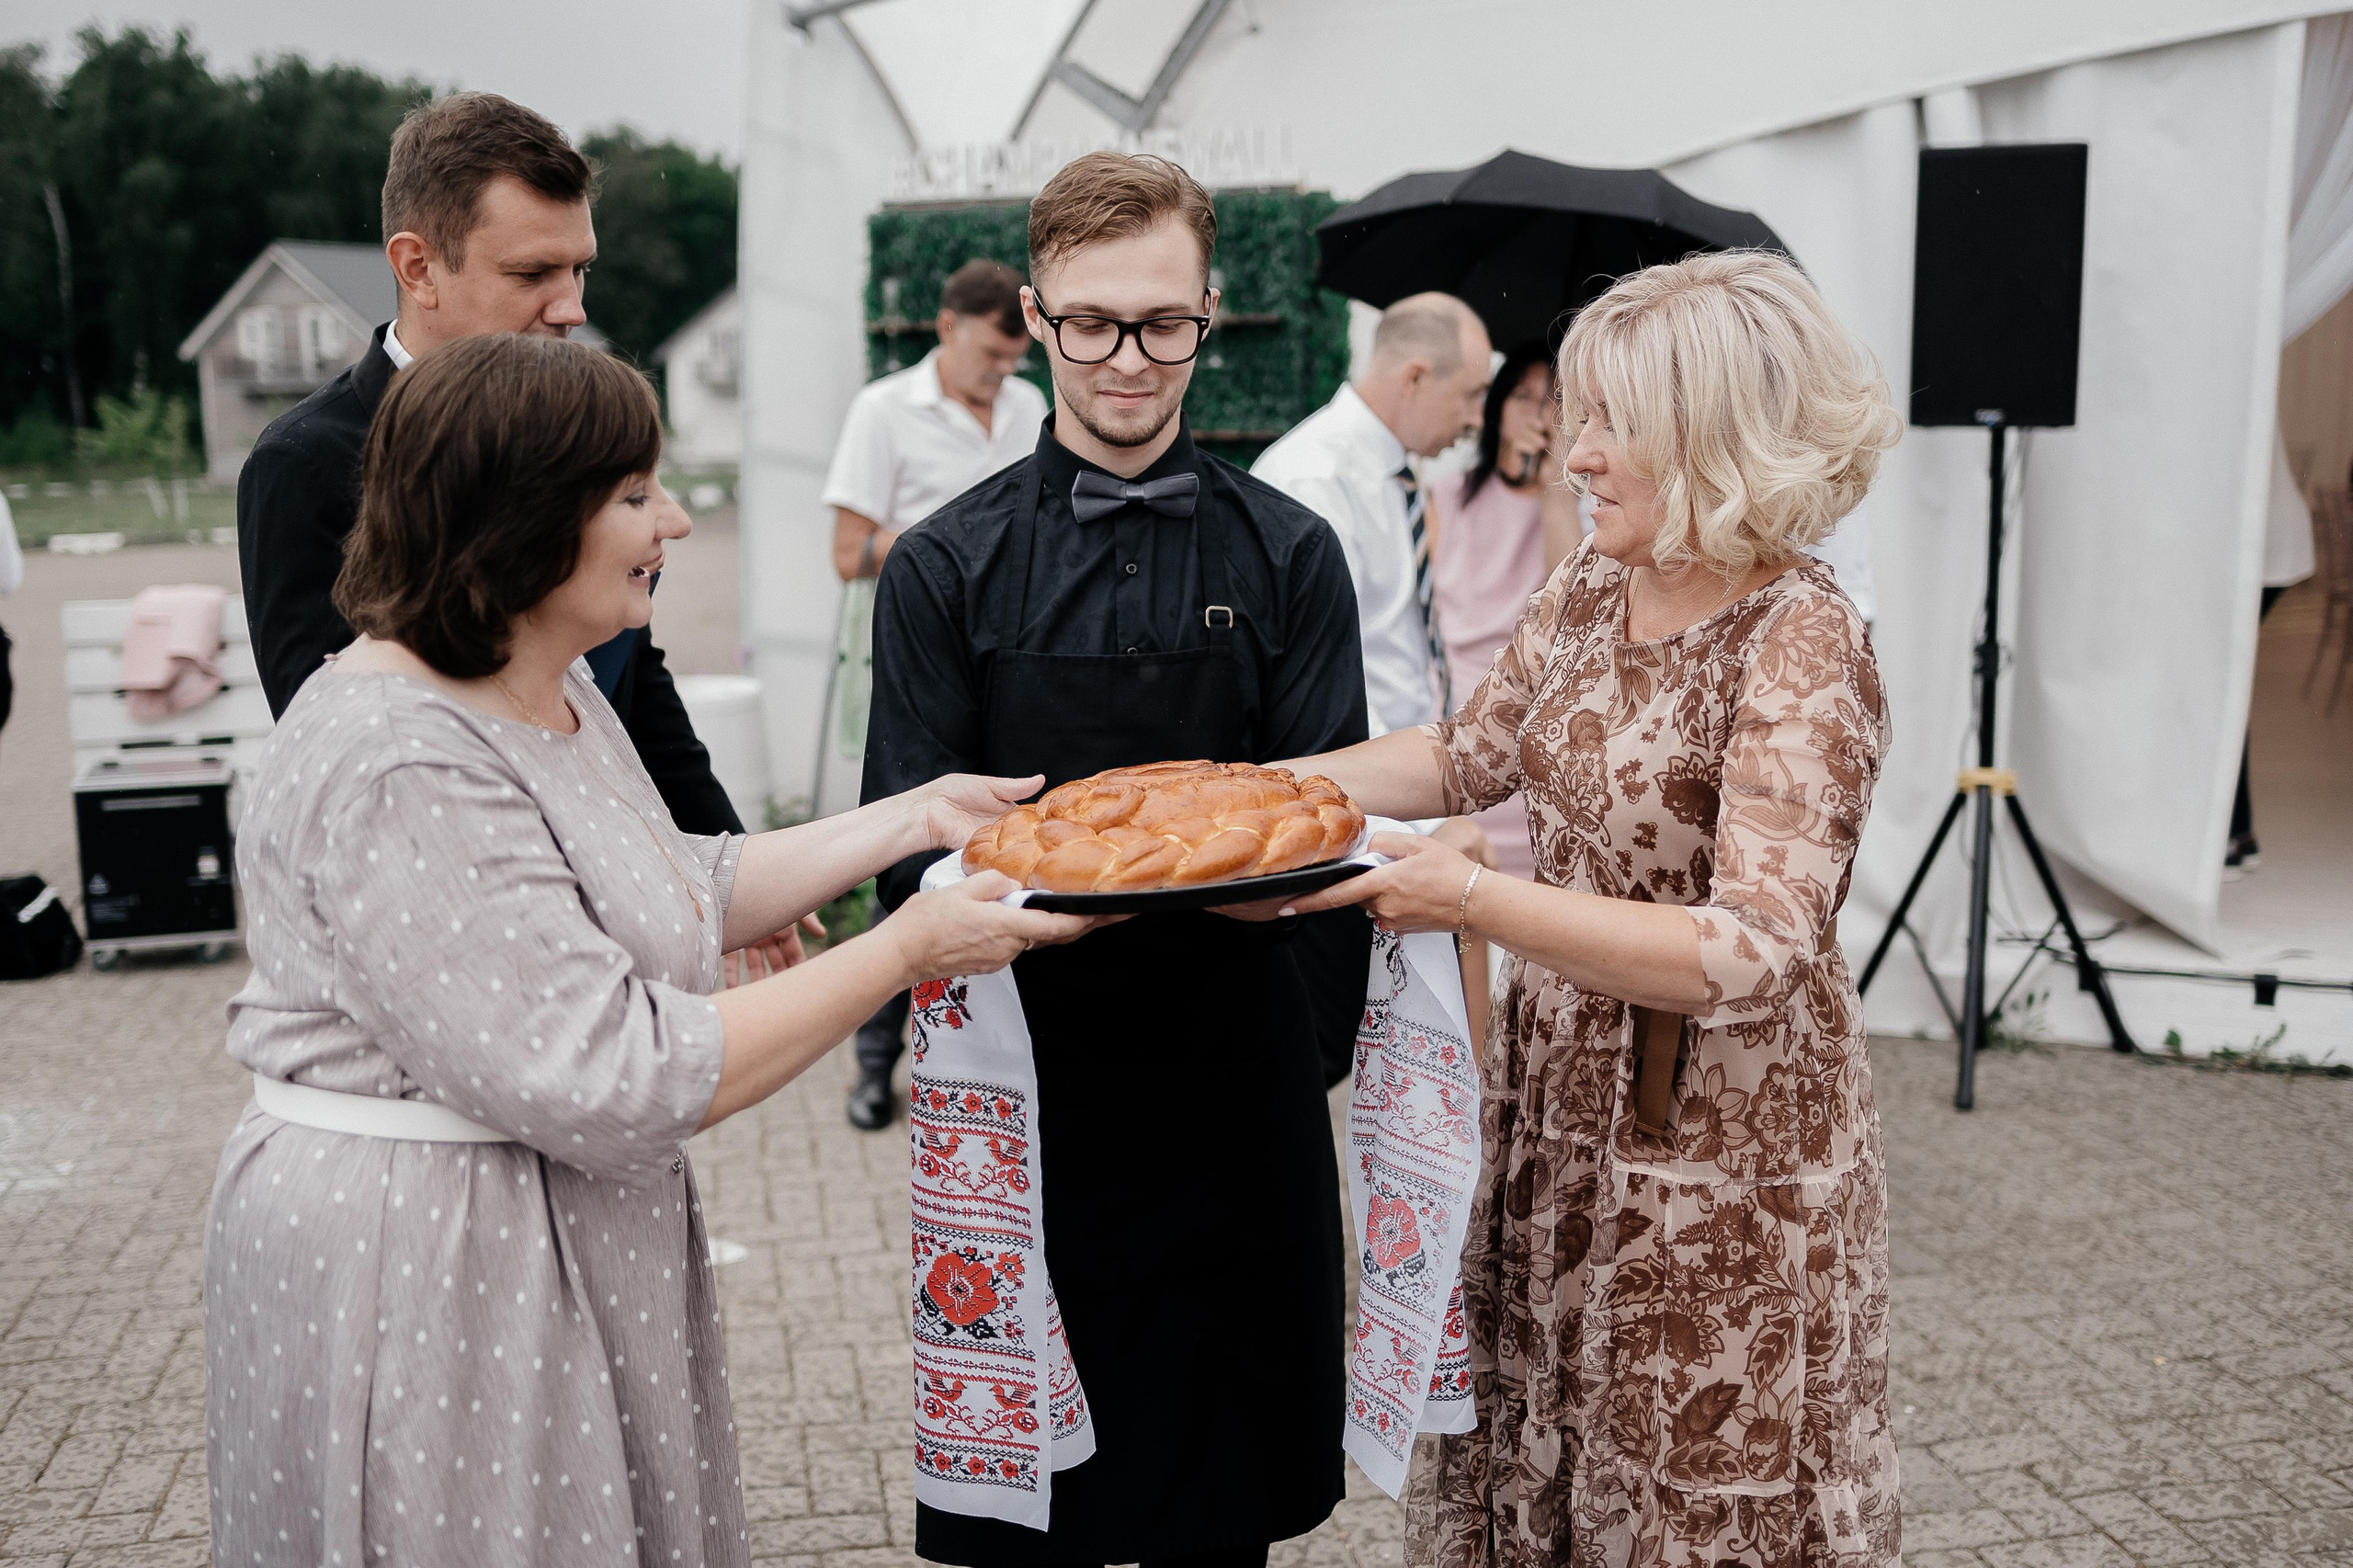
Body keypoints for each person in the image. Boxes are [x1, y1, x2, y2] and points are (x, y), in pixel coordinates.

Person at [204, 332, 1097, 1568]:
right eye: (634, 495)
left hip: (535, 1236)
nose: (672, 521)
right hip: (429, 1265)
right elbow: (615, 1070)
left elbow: (682, 879)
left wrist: (916, 813)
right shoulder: (396, 752)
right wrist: (908, 945)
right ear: (516, 521)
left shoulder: (544, 686)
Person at [1256, 252, 1905, 1563]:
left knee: (1685, 1474)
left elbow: (1755, 947)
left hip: (1719, 1144)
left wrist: (1479, 897)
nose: (1573, 453)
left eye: (1614, 423)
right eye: (1578, 416)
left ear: (1716, 434)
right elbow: (1462, 754)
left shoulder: (1803, 634)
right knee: (1549, 1434)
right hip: (1559, 1096)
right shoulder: (1594, 589)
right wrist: (1249, 786)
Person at [860, 151, 1373, 1567]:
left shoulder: (1293, 555)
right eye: (1091, 321)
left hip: (1237, 1104)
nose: (1129, 357)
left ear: (1211, 312)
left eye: (1163, 321)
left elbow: (1337, 825)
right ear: (1034, 317)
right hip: (1034, 1103)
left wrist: (1305, 1054)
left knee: (1225, 1507)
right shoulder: (944, 567)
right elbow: (907, 850)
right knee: (1042, 1514)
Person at [236, 92, 742, 841]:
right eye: (533, 273)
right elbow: (343, 743)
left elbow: (630, 671)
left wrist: (722, 852)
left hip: (624, 859)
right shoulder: (308, 463)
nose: (570, 307)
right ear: (418, 268)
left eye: (581, 270)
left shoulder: (578, 434)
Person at [822, 256, 1050, 1131]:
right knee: (905, 857)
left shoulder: (1029, 407)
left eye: (1011, 360)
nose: (1003, 374)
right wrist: (955, 551)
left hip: (1014, 657)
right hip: (922, 655)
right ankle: (876, 1063)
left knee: (995, 846)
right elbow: (847, 552)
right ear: (947, 328)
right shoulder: (882, 412)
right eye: (990, 356)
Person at [1252, 291, 1492, 734]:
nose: (1478, 419)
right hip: (1366, 782)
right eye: (1472, 395)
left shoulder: (1397, 476)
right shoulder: (1314, 480)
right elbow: (1326, 669)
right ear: (1415, 378)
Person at [1427, 340, 1555, 884]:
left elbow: (1569, 599)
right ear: (1497, 404)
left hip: (1538, 718)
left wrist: (1556, 487)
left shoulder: (1579, 508)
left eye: (1555, 399)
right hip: (1457, 715)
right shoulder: (1447, 495)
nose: (1539, 412)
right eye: (1523, 396)